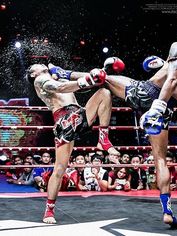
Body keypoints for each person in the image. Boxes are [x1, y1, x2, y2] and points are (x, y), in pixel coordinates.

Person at [49, 14, 177, 229]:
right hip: (168, 106)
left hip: (150, 94)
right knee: (160, 160)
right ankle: (167, 211)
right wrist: (163, 66)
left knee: (102, 79)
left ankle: (63, 73)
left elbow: (172, 78)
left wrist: (156, 106)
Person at [25, 64, 119, 224]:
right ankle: (49, 209)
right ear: (33, 73)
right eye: (36, 66)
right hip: (64, 121)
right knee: (60, 169)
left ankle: (103, 139)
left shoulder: (58, 76)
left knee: (105, 92)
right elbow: (59, 87)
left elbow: (80, 85)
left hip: (79, 113)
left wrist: (99, 74)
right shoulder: (40, 80)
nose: (41, 64)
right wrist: (87, 79)